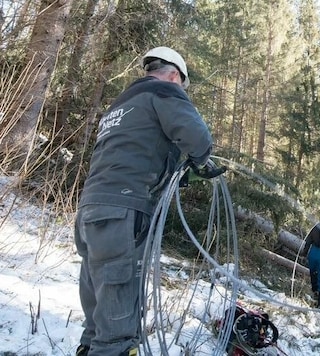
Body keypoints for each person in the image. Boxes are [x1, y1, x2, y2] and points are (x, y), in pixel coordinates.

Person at [74, 46, 215, 356]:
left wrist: (178, 167)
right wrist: (200, 160)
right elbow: (199, 140)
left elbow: (135, 149)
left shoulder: (120, 104)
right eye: (181, 85)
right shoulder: (165, 90)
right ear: (175, 75)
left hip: (91, 211)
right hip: (123, 213)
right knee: (117, 334)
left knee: (97, 323)